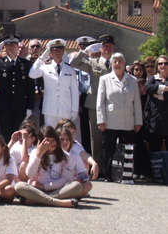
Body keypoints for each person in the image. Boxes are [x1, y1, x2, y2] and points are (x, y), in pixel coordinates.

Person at [70, 35, 115, 176]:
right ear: (100, 48)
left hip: (113, 105)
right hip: (94, 104)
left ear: (113, 48)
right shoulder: (93, 62)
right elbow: (74, 63)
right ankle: (98, 169)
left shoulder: (117, 61)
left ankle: (110, 168)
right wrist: (85, 51)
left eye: (109, 46)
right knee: (95, 139)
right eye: (104, 46)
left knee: (111, 138)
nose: (107, 48)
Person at [97, 53, 142, 182]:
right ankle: (108, 174)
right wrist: (101, 120)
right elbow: (100, 102)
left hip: (128, 120)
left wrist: (138, 121)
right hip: (110, 120)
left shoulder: (132, 80)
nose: (117, 64)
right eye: (115, 61)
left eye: (120, 61)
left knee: (127, 149)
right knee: (109, 149)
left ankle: (125, 174)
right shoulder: (105, 79)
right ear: (111, 64)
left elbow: (137, 102)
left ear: (124, 63)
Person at [0, 34, 35, 142]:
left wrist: (30, 107)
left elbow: (30, 87)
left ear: (18, 47)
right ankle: (6, 158)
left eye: (14, 45)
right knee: (5, 136)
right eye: (8, 45)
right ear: (4, 47)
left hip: (20, 107)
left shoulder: (26, 64)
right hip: (3, 108)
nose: (11, 47)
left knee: (19, 136)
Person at [14, 126, 81, 208]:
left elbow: (67, 179)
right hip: (37, 190)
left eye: (53, 140)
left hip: (57, 190)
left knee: (77, 186)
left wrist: (44, 186)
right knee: (19, 186)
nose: (51, 143)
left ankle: (38, 201)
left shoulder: (65, 156)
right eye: (48, 141)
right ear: (41, 142)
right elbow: (30, 174)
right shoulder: (35, 152)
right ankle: (59, 202)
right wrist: (38, 155)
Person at [29, 39, 79, 129]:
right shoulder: (45, 67)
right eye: (55, 50)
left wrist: (75, 110)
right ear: (50, 52)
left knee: (64, 136)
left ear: (63, 51)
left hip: (66, 109)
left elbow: (74, 91)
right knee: (51, 136)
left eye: (60, 50)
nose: (58, 52)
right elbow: (32, 74)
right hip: (49, 109)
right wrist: (42, 58)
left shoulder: (70, 69)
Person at [145, 55, 168, 174]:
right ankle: (155, 174)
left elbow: (153, 91)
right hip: (155, 121)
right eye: (160, 64)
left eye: (165, 63)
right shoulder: (153, 78)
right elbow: (148, 87)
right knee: (154, 149)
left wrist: (158, 94)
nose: (163, 66)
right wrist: (165, 89)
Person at [57, 128, 93, 198]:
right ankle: (65, 196)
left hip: (69, 184)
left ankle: (63, 196)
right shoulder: (53, 154)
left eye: (68, 139)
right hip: (53, 184)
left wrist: (75, 179)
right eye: (62, 139)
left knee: (88, 185)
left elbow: (84, 174)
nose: (65, 142)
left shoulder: (75, 155)